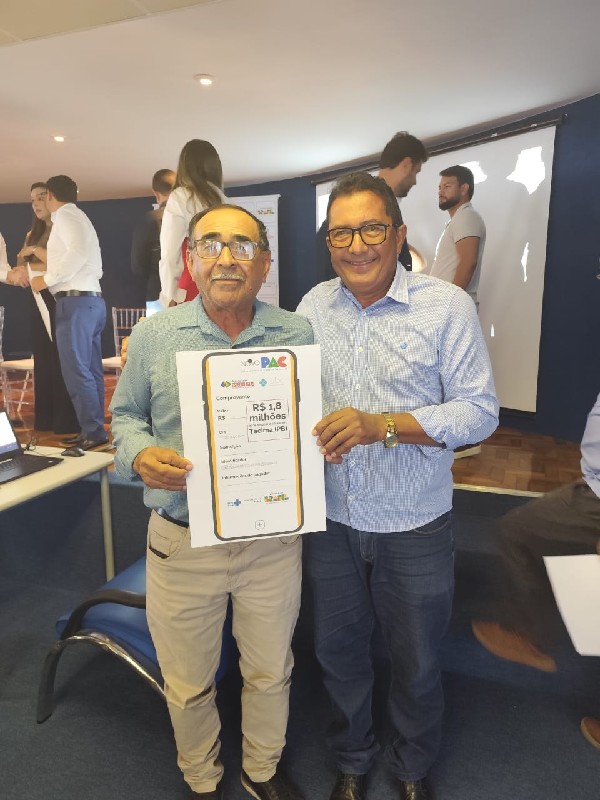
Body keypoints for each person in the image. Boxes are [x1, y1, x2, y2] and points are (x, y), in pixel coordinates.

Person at [297, 172, 498, 800]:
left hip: (415, 521)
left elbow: (479, 414)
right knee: (338, 652)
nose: (357, 246)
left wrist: (381, 425)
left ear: (399, 233)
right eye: (341, 233)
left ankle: (411, 766)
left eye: (372, 229)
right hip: (331, 519)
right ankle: (352, 759)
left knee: (417, 660)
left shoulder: (446, 306)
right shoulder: (311, 308)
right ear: (328, 242)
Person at [110, 203, 313, 800]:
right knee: (188, 681)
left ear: (265, 262)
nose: (227, 258)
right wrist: (139, 456)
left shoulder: (296, 333)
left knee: (271, 671)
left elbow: (311, 419)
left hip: (272, 539)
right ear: (190, 258)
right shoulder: (155, 336)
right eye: (211, 245)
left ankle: (262, 771)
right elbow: (125, 418)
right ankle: (201, 777)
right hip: (182, 542)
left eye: (243, 246)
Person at [471, 391, 600, 745]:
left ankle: (529, 633)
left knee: (518, 531)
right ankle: (533, 631)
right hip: (591, 486)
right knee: (521, 531)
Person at [30, 175, 108, 451]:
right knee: (90, 369)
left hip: (75, 303)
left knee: (76, 370)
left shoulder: (65, 216)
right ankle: (93, 428)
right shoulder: (78, 216)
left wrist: (46, 279)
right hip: (89, 301)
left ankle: (93, 431)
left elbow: (75, 253)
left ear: (51, 195)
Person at [315, 132, 428, 281]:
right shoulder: (330, 228)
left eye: (373, 229)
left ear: (399, 237)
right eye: (416, 172)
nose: (414, 181)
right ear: (406, 165)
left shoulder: (393, 221)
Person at [15, 182, 79, 434]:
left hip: (59, 298)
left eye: (41, 197)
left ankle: (67, 421)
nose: (36, 204)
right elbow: (21, 262)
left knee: (62, 358)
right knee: (43, 358)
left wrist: (34, 252)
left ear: (52, 198)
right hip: (36, 298)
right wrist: (21, 270)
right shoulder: (32, 233)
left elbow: (63, 264)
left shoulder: (64, 229)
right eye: (32, 200)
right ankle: (46, 419)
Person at [159, 139, 226, 307]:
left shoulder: (181, 197)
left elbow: (169, 253)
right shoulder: (226, 202)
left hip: (192, 288)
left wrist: (168, 296)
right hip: (222, 288)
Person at [429, 165, 486, 304]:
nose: (441, 192)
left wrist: (451, 302)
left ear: (464, 189)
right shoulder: (460, 218)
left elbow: (468, 262)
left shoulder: (466, 216)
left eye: (447, 186)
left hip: (453, 307)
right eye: (440, 187)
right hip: (446, 306)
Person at [131, 168, 175, 315]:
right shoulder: (194, 217)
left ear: (156, 193)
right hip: (189, 294)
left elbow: (138, 265)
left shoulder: (150, 220)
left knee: (158, 330)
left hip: (157, 292)